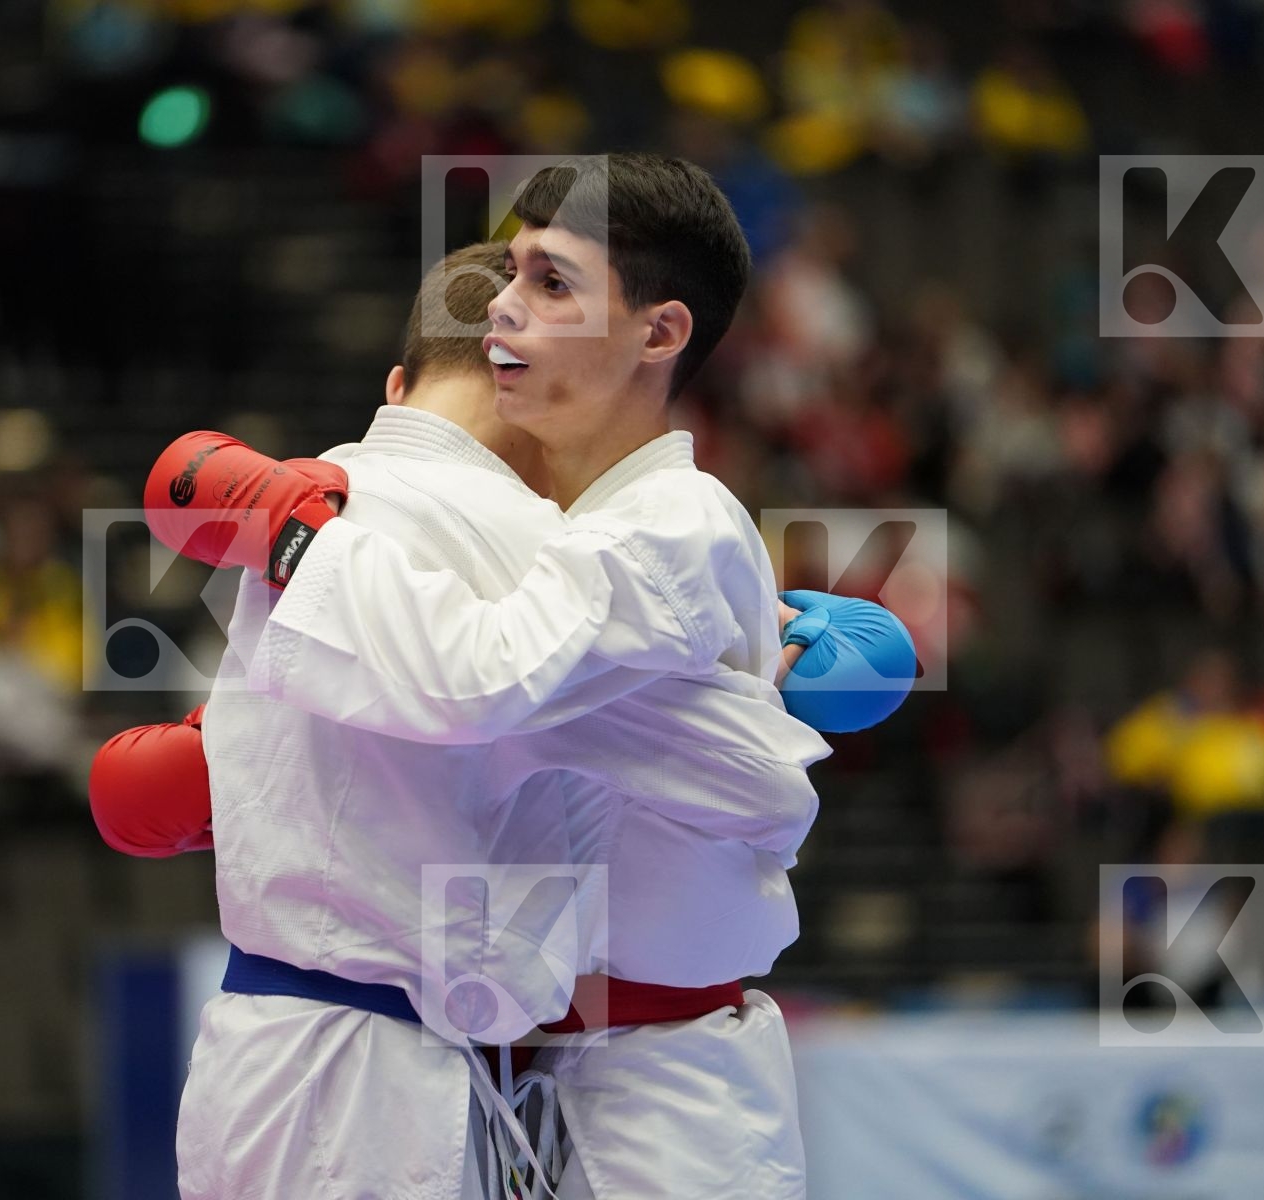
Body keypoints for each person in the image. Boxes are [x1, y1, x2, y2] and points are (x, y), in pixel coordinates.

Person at [140, 154, 915, 1197]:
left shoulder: (669, 522)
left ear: (659, 332)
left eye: (550, 284)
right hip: (528, 1065)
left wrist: (294, 540)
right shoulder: (572, 538)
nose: (501, 307)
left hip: (654, 1083)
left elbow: (481, 683)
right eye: (509, 274)